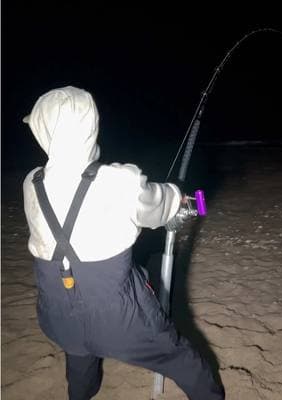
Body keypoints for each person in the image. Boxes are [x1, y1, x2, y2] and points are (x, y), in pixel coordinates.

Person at [23, 86, 225, 400]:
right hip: (120, 321)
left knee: (80, 360)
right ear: (91, 126)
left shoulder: (30, 182)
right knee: (181, 358)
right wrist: (176, 195)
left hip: (57, 317)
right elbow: (163, 204)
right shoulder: (119, 182)